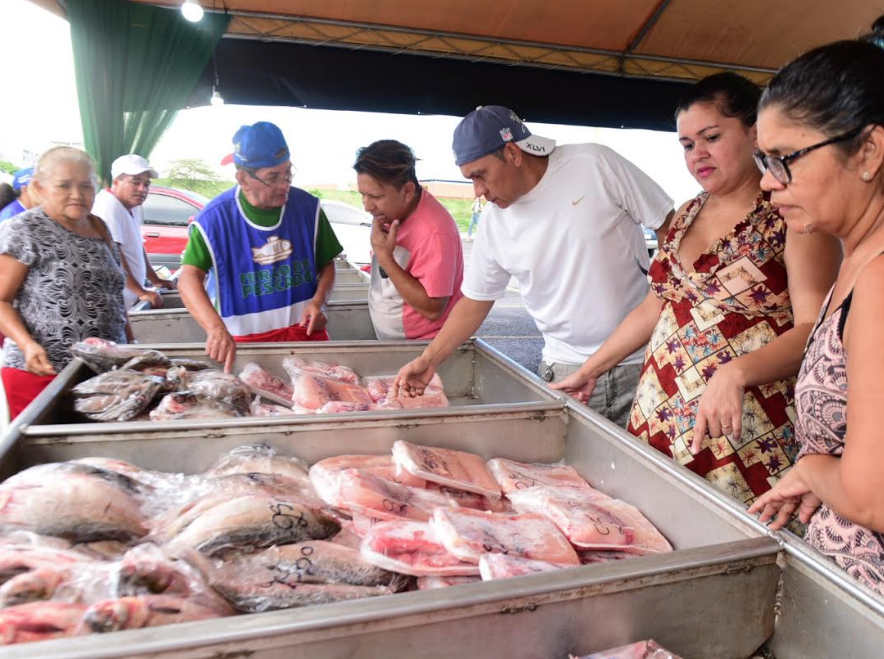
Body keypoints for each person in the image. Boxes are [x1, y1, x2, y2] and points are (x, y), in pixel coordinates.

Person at [744, 10, 884, 636]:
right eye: (764, 158)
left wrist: (814, 469)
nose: (767, 183)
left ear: (868, 150)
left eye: (784, 159)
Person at [550, 73, 841, 507]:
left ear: (755, 133)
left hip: (742, 432)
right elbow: (654, 308)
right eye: (687, 145)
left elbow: (815, 332)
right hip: (658, 415)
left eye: (711, 137)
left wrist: (737, 371)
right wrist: (590, 370)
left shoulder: (790, 213)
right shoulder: (685, 214)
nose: (697, 154)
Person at [393, 105, 674, 426]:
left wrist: (669, 300)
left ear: (512, 153)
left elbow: (669, 224)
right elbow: (474, 302)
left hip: (641, 360)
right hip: (565, 371)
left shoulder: (595, 164)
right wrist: (429, 360)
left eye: (480, 175)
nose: (478, 191)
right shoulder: (493, 224)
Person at [177, 122, 343, 372]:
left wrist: (319, 301)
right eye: (273, 178)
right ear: (243, 178)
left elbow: (327, 265)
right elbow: (188, 278)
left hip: (305, 340)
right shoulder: (214, 220)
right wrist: (214, 328)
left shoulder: (308, 209)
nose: (285, 184)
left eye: (288, 173)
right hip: (245, 347)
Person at [0, 147, 130, 418]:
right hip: (43, 372)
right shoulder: (22, 229)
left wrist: (130, 345)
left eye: (86, 186)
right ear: (40, 187)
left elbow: (113, 296)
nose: (77, 194)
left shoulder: (99, 226)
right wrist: (27, 344)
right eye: (64, 186)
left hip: (103, 372)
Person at [354, 139, 464, 340]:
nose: (367, 206)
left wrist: (385, 257)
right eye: (363, 195)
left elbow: (433, 309)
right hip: (393, 339)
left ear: (407, 191)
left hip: (420, 347)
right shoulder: (389, 212)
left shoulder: (434, 232)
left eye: (375, 196)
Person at [91, 154, 174, 310]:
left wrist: (155, 279)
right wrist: (141, 291)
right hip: (113, 303)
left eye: (146, 184)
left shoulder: (131, 207)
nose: (142, 189)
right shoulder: (108, 205)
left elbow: (138, 248)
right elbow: (113, 255)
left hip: (128, 301)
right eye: (135, 182)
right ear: (116, 182)